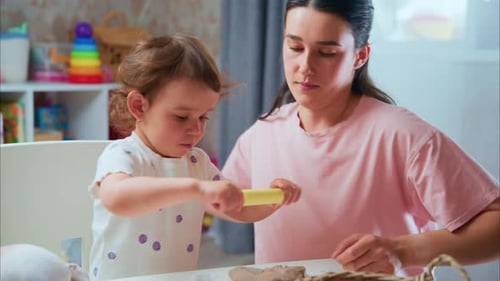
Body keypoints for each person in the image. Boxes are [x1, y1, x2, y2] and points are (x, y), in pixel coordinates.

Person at [221, 0, 500, 276]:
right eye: (294, 47)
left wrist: (404, 251)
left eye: (327, 52)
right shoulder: (264, 132)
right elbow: (225, 203)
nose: (305, 66)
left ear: (360, 56)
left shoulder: (403, 135)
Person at [88, 34, 301, 280]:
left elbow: (236, 208)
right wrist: (195, 189)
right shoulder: (123, 154)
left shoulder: (196, 162)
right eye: (181, 117)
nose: (197, 130)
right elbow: (117, 198)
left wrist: (272, 199)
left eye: (203, 117)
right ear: (139, 106)